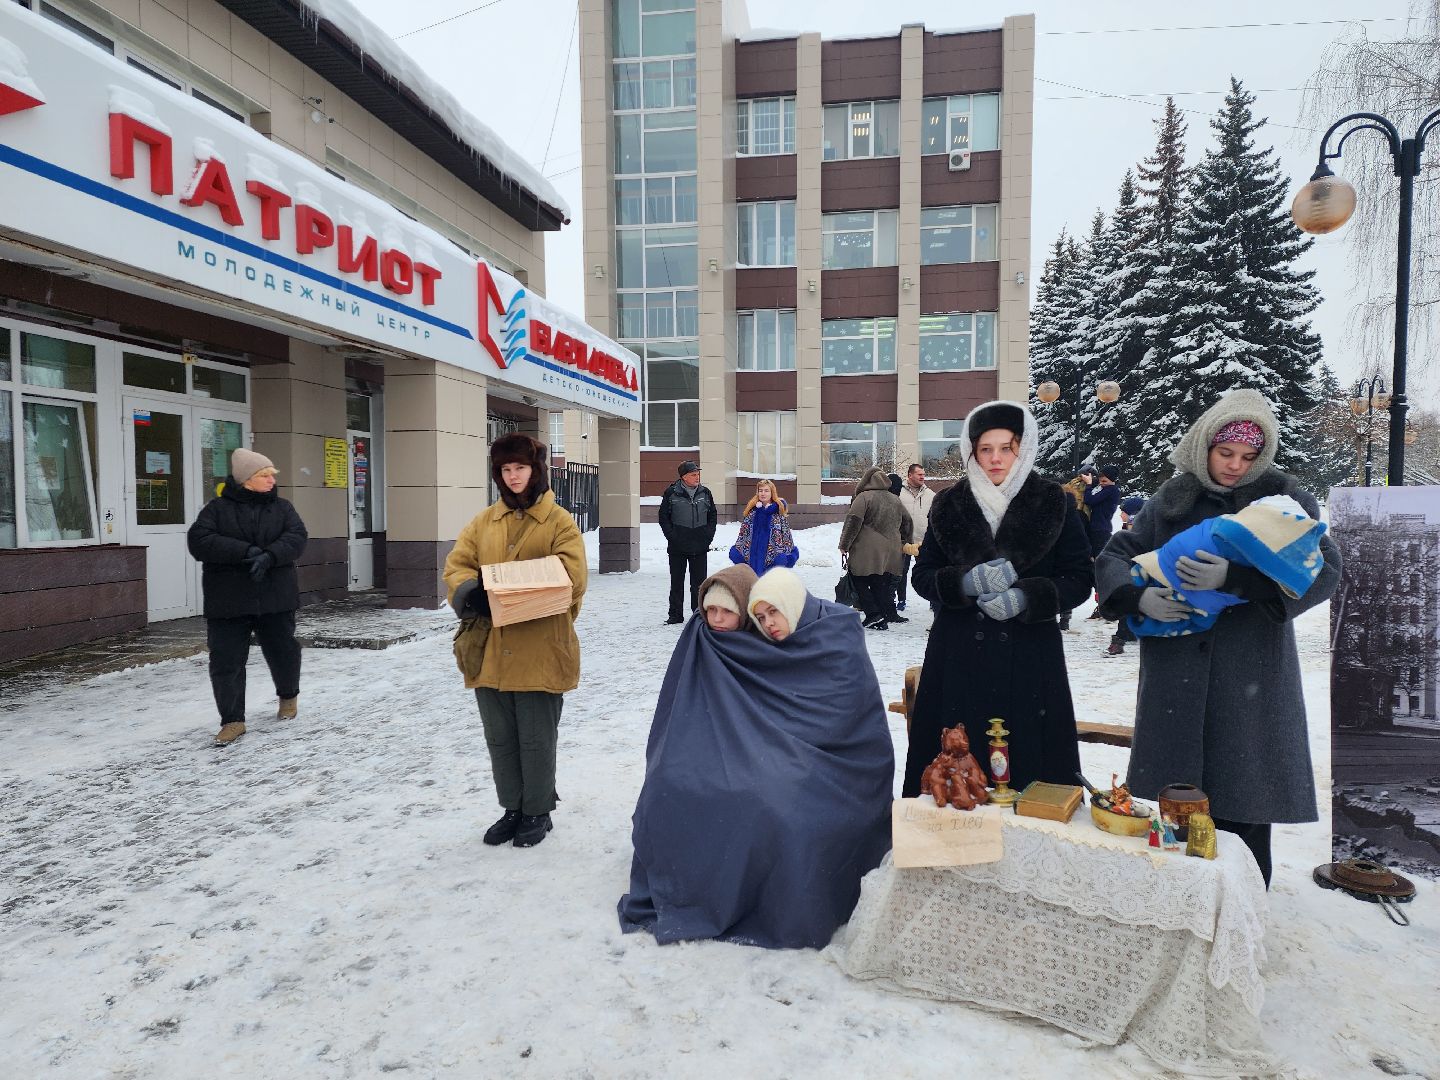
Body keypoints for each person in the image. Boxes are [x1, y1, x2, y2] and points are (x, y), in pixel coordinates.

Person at [1095, 389, 1341, 887]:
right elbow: (1116, 554)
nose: (1234, 466)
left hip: (1251, 669)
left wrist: (1238, 580)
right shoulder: (1172, 498)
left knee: (1245, 800)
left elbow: (1326, 570)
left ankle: (1245, 908)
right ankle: (1179, 904)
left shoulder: (1284, 500)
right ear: (1204, 445)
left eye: (1248, 457)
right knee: (1178, 804)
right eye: (1225, 453)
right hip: (1178, 672)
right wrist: (1134, 598)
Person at [619, 566, 893, 949]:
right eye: (759, 618)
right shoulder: (718, 641)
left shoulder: (832, 636)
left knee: (779, 806)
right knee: (670, 788)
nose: (768, 625)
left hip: (830, 761)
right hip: (733, 751)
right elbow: (680, 711)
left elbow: (844, 717)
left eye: (727, 612)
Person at [904, 401, 1093, 797]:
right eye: (985, 448)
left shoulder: (1053, 502)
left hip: (1029, 659)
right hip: (958, 657)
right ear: (971, 450)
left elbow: (1078, 577)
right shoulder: (949, 504)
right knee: (954, 773)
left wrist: (1028, 597)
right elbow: (922, 576)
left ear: (1023, 449)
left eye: (1006, 448)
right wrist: (965, 584)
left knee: (1032, 776)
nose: (995, 458)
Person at [443, 434, 587, 850]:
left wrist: (509, 593)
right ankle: (513, 807)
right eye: (506, 470)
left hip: (541, 645)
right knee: (500, 736)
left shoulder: (559, 521)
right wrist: (472, 594)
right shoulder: (484, 521)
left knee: (536, 735)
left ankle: (538, 810)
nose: (513, 476)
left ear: (535, 470)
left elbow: (572, 577)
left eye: (520, 468)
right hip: (489, 649)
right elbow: (458, 564)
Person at [187, 448, 308, 747]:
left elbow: (297, 537)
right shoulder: (216, 510)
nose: (270, 480)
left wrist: (270, 556)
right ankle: (232, 720)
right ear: (245, 480)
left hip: (276, 596)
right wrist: (244, 552)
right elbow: (199, 541)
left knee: (283, 651)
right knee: (226, 660)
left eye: (271, 475)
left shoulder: (283, 508)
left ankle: (288, 696)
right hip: (228, 600)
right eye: (263, 475)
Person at [839, 466, 913, 630]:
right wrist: (904, 541)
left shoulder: (864, 497)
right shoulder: (895, 499)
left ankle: (873, 615)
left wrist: (844, 544)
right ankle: (882, 616)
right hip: (891, 549)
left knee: (859, 580)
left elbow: (853, 521)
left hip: (866, 548)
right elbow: (907, 521)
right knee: (880, 582)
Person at [658, 460, 716, 625]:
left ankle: (698, 614)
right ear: (683, 477)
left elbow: (712, 516)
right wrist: (672, 536)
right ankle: (675, 615)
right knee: (676, 582)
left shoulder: (705, 492)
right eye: (693, 474)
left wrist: (707, 536)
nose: (697, 476)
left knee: (699, 584)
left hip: (700, 545)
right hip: (677, 546)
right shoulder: (671, 493)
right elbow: (663, 517)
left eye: (698, 474)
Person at [1105, 494, 1149, 655]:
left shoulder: (1137, 526)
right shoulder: (1128, 527)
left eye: (1123, 511)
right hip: (1131, 571)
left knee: (1129, 605)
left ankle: (1120, 638)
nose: (1120, 514)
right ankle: (1127, 635)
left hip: (1139, 572)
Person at [728, 479, 799, 575]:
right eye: (760, 490)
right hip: (751, 562)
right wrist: (738, 553)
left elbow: (786, 536)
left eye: (766, 490)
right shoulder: (751, 512)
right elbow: (743, 535)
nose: (763, 493)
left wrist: (785, 557)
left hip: (772, 562)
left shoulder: (778, 513)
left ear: (772, 492)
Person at [897, 463, 935, 613]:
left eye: (923, 475)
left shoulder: (930, 495)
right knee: (901, 572)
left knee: (929, 572)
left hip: (923, 541)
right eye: (919, 474)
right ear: (910, 475)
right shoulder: (899, 493)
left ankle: (934, 601)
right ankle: (901, 600)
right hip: (904, 541)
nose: (922, 477)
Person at [698, 563, 759, 632]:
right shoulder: (694, 634)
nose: (717, 619)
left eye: (728, 611)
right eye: (712, 609)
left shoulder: (762, 641)